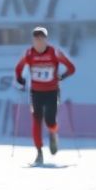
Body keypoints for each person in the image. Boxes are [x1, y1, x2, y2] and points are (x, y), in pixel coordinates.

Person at [14, 26, 75, 164]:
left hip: (52, 92)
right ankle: (39, 152)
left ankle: (53, 133)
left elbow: (72, 68)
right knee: (36, 121)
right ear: (33, 40)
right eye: (36, 39)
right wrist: (20, 79)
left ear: (46, 40)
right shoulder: (29, 54)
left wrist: (62, 76)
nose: (39, 42)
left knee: (50, 120)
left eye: (41, 39)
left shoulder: (55, 53)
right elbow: (18, 68)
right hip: (36, 93)